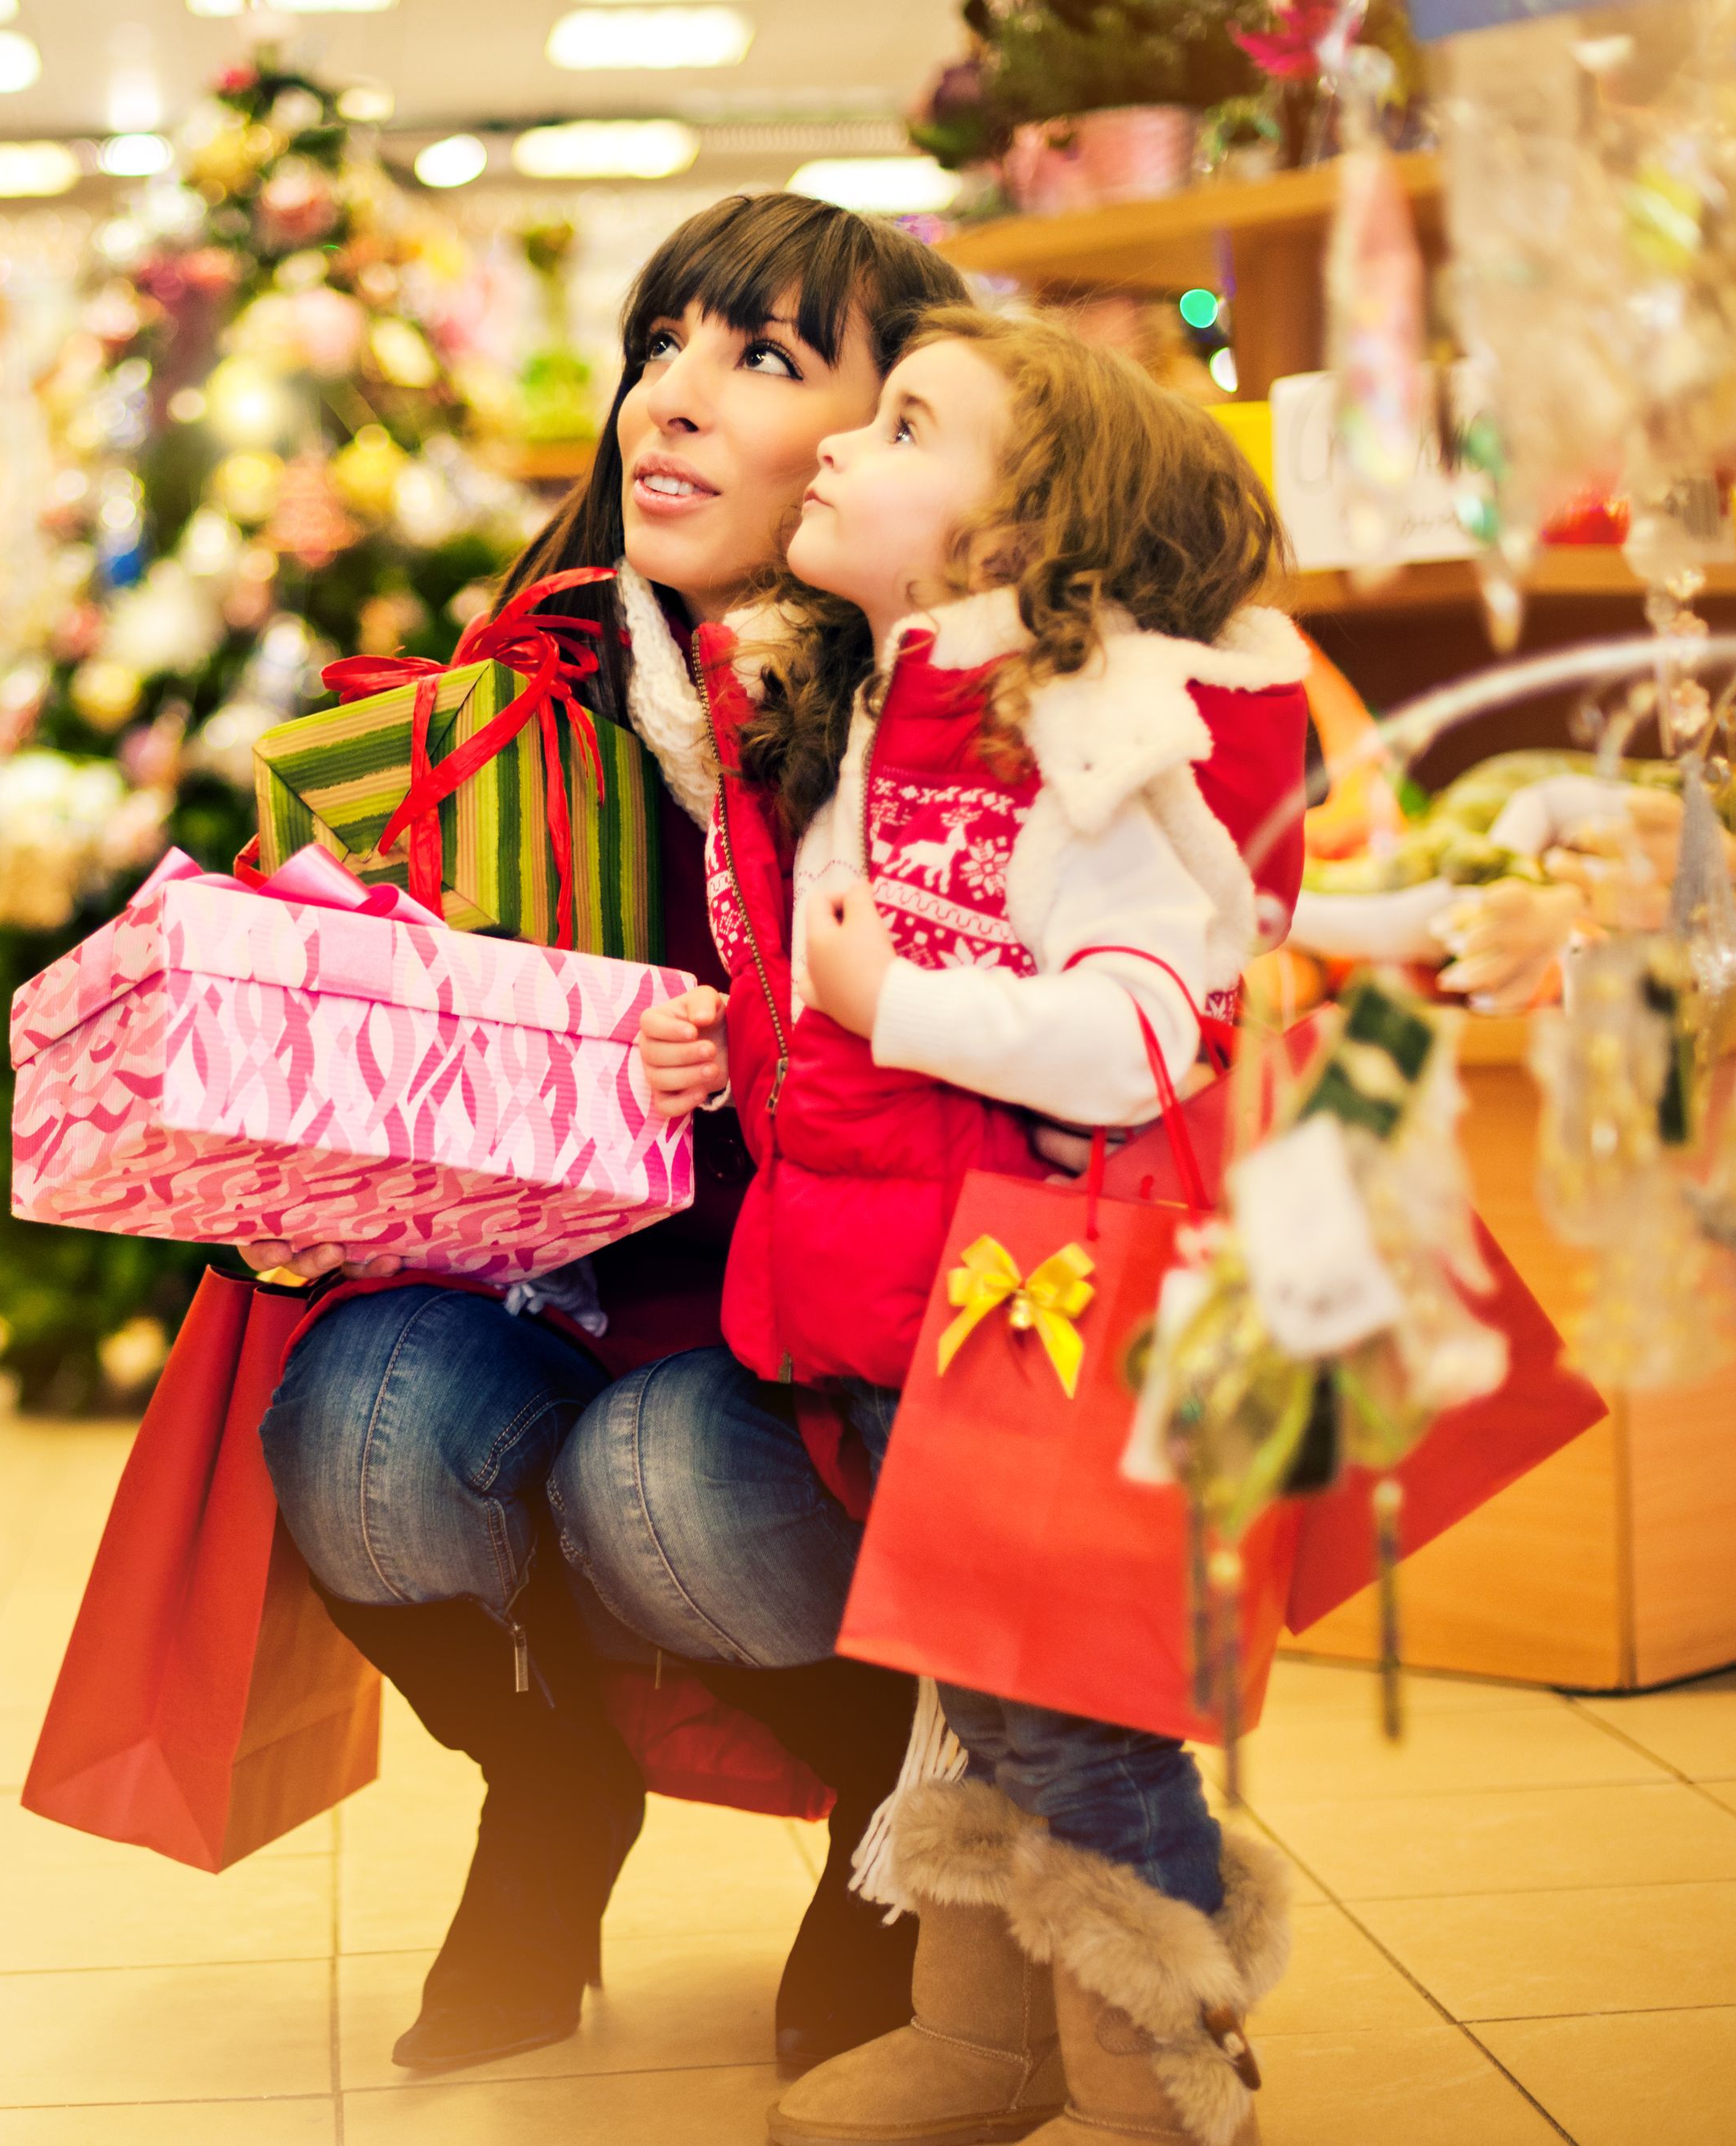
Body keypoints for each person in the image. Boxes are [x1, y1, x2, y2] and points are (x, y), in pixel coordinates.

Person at [248, 194, 971, 2078]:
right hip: (541, 1286)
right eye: (662, 342)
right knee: (355, 1420)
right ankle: (548, 1789)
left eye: (759, 357)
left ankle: (894, 1824)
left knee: (655, 1475)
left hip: (809, 1343)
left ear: (908, 435)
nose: (669, 397)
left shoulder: (933, 724)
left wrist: (758, 1051)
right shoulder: (527, 697)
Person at [607, 307, 1312, 2146]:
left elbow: (1150, 1020)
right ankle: (990, 2036)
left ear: (1023, 536)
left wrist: (889, 1006)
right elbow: (849, 994)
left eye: (903, 422)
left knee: (1077, 1720)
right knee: (983, 1705)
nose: (837, 443)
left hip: (1040, 1309)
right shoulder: (875, 708)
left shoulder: (1088, 743)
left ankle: (1161, 2080)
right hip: (906, 1309)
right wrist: (740, 1032)